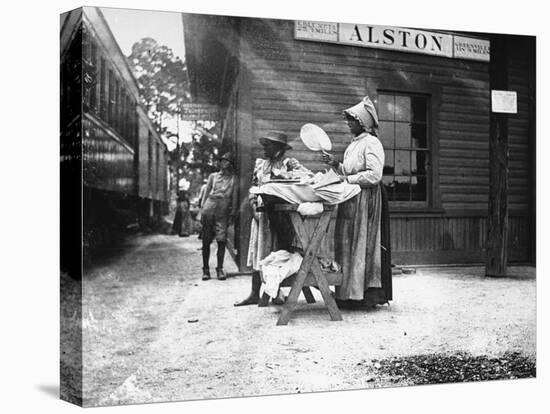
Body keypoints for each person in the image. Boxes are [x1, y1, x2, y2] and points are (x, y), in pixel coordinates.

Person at [322, 96, 392, 310]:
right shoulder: (353, 145)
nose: (348, 124)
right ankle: (346, 294)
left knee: (362, 244)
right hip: (351, 198)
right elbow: (351, 171)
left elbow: (374, 175)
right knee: (346, 243)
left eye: (352, 120)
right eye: (348, 120)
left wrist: (347, 179)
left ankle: (364, 296)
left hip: (367, 200)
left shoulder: (372, 143)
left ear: (362, 123)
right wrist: (336, 165)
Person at [234, 131, 304, 307]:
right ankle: (254, 293)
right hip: (261, 215)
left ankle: (276, 293)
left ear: (279, 148)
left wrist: (292, 172)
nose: (265, 148)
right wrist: (253, 207)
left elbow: (304, 180)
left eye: (269, 145)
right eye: (264, 145)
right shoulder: (260, 165)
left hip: (281, 216)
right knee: (259, 251)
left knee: (276, 254)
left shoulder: (289, 164)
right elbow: (253, 188)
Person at [200, 152, 237, 281]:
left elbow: (234, 198)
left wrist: (232, 212)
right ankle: (205, 270)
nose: (222, 163)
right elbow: (205, 194)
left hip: (223, 210)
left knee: (221, 240)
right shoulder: (213, 176)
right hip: (209, 207)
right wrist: (202, 210)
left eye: (226, 161)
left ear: (230, 164)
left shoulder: (233, 179)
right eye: (221, 161)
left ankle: (219, 269)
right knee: (206, 240)